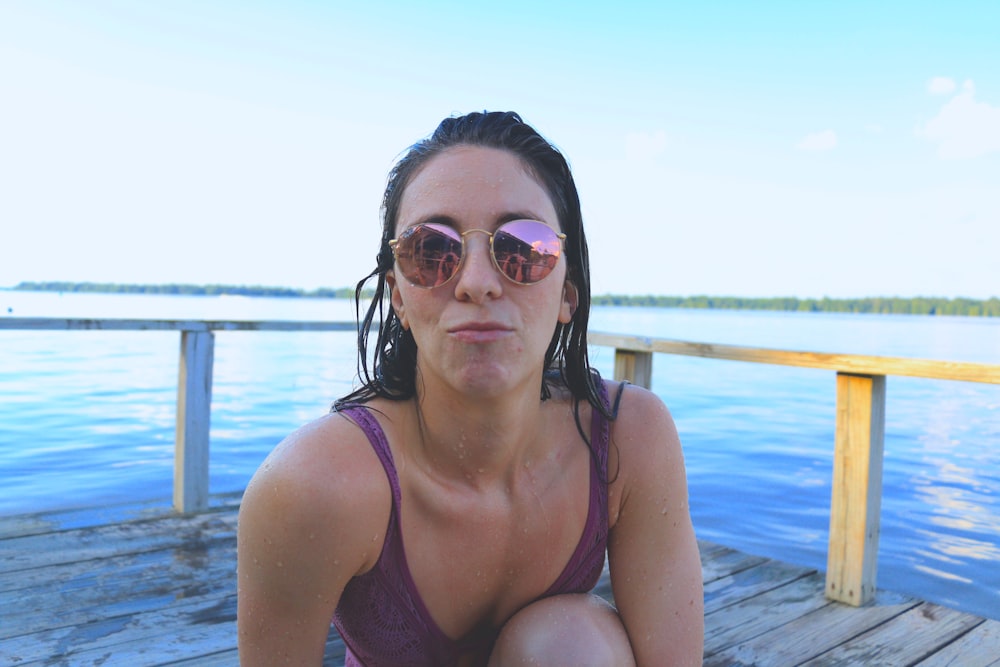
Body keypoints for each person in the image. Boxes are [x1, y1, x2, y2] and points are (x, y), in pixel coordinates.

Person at [237, 111, 704, 666]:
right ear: (399, 297)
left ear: (566, 294)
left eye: (524, 249)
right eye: (431, 250)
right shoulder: (316, 485)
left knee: (572, 643)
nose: (477, 282)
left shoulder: (630, 440)